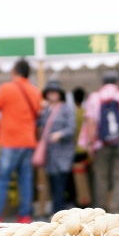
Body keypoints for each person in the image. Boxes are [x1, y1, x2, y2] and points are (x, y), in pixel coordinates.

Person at [0, 59, 41, 224]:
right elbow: (37, 114)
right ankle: (25, 216)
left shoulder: (6, 88)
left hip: (10, 140)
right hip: (28, 141)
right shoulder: (35, 91)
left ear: (15, 71)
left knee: (2, 179)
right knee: (25, 179)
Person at [80, 71, 119, 214]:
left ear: (102, 83)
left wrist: (90, 144)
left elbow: (91, 122)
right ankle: (116, 210)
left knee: (101, 177)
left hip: (101, 144)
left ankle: (100, 211)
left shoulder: (95, 97)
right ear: (118, 83)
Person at [37, 81, 76, 215]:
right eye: (49, 92)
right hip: (50, 155)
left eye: (55, 92)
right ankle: (56, 212)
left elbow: (72, 129)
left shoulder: (66, 109)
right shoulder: (45, 110)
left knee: (60, 186)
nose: (52, 95)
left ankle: (59, 213)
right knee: (53, 185)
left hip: (63, 154)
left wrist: (60, 134)